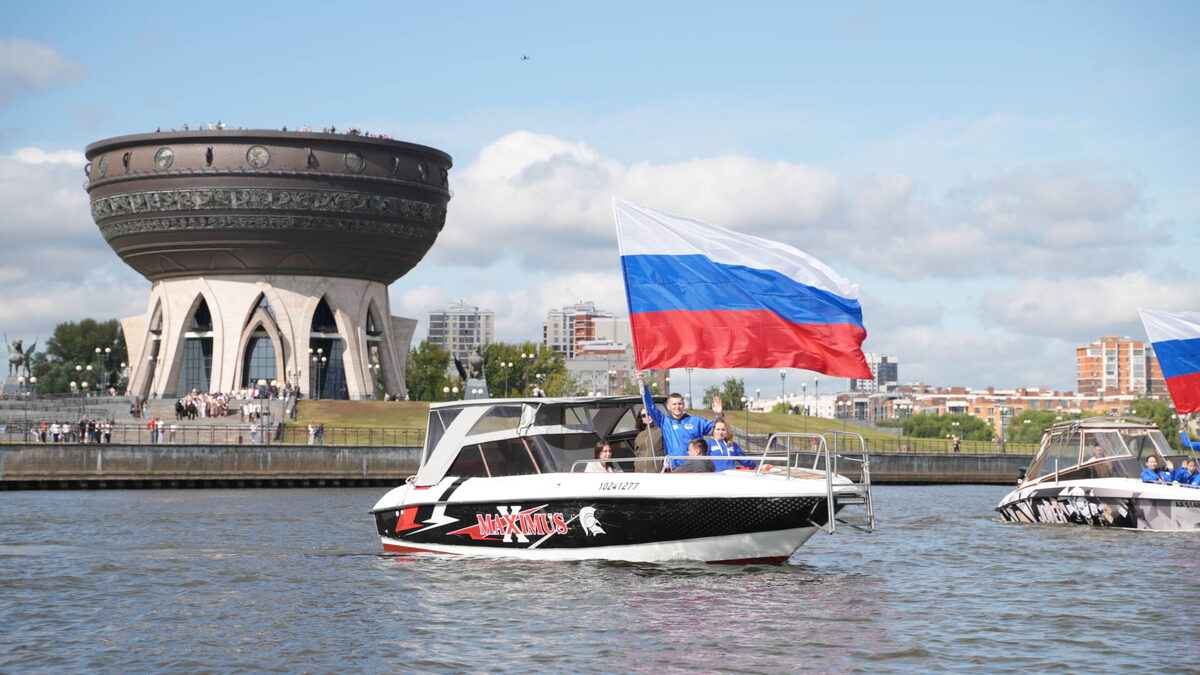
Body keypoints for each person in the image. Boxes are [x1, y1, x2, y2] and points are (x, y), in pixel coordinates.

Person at [638, 371, 722, 468]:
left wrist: (718, 415)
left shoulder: (697, 421)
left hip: (695, 467)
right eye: (674, 404)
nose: (677, 407)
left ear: (683, 405)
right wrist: (642, 384)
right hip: (674, 468)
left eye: (680, 404)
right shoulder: (664, 421)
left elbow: (717, 430)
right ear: (668, 406)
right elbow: (650, 406)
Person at [633, 407, 663, 473]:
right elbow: (637, 453)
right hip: (639, 472)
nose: (647, 416)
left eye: (649, 414)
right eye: (644, 415)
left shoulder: (662, 431)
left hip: (657, 472)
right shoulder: (640, 435)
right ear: (642, 419)